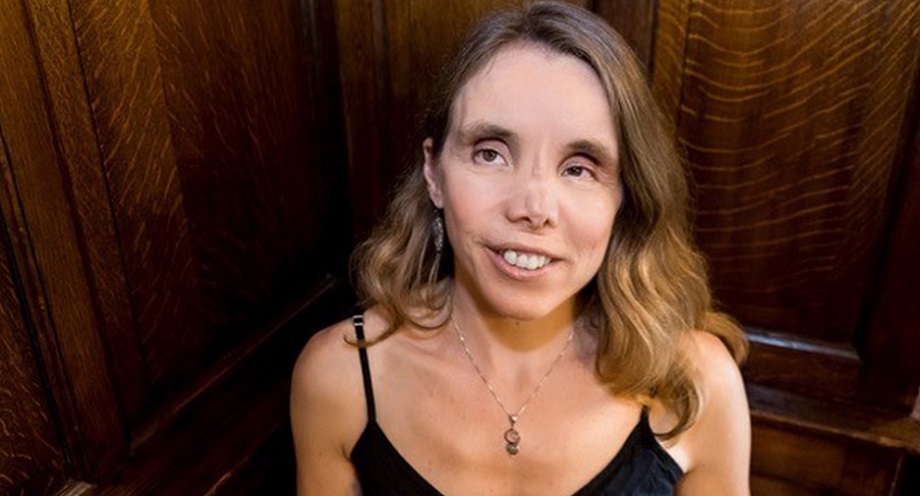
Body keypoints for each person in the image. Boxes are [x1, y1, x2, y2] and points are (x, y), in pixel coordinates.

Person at [291, 1, 750, 494]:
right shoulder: (340, 376)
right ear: (434, 172)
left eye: (579, 167)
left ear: (625, 195)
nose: (533, 207)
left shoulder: (696, 383)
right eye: (490, 153)